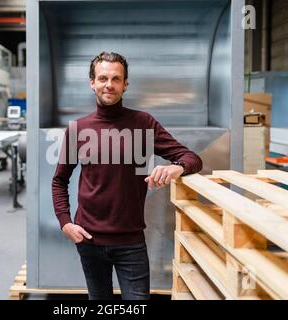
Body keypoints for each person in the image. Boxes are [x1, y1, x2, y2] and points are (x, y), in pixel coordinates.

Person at [52, 52, 202, 300]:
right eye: (102, 78)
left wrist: (177, 167)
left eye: (116, 78)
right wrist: (65, 221)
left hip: (130, 242)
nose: (109, 84)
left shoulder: (144, 123)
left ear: (125, 84)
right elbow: (60, 180)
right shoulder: (78, 129)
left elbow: (192, 158)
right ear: (92, 82)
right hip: (88, 239)